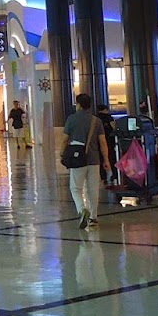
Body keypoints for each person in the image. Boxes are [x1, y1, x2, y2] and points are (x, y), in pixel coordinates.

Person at [62, 93, 108, 230]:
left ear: (79, 105)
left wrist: (61, 153)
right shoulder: (96, 121)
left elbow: (65, 139)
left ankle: (82, 209)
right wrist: (106, 159)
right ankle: (93, 218)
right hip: (94, 160)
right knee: (93, 189)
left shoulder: (71, 119)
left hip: (77, 159)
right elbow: (102, 142)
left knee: (75, 188)